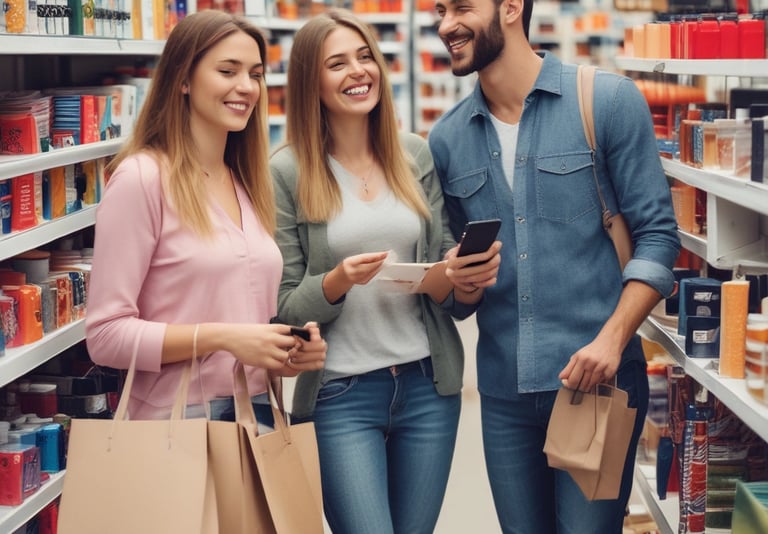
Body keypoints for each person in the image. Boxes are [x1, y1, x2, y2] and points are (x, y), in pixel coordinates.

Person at [428, 0, 681, 532]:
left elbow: (659, 238)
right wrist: (459, 282)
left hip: (600, 387)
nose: (445, 24)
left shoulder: (606, 102)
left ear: (512, 8)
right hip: (504, 396)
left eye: (461, 7)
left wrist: (612, 339)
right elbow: (457, 301)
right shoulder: (448, 140)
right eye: (440, 9)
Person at [269, 9, 500, 534]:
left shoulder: (413, 154)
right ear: (311, 81)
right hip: (339, 395)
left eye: (365, 56)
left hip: (426, 386)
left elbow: (451, 298)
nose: (358, 71)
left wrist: (461, 277)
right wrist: (338, 280)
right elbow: (284, 307)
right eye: (337, 63)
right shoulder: (286, 172)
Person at [85, 10, 326, 425]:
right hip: (177, 426)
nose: (246, 87)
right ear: (183, 79)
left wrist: (283, 352)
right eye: (227, 71)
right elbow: (105, 336)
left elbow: (245, 317)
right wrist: (222, 338)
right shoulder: (142, 179)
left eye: (255, 74)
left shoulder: (247, 181)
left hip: (257, 414)